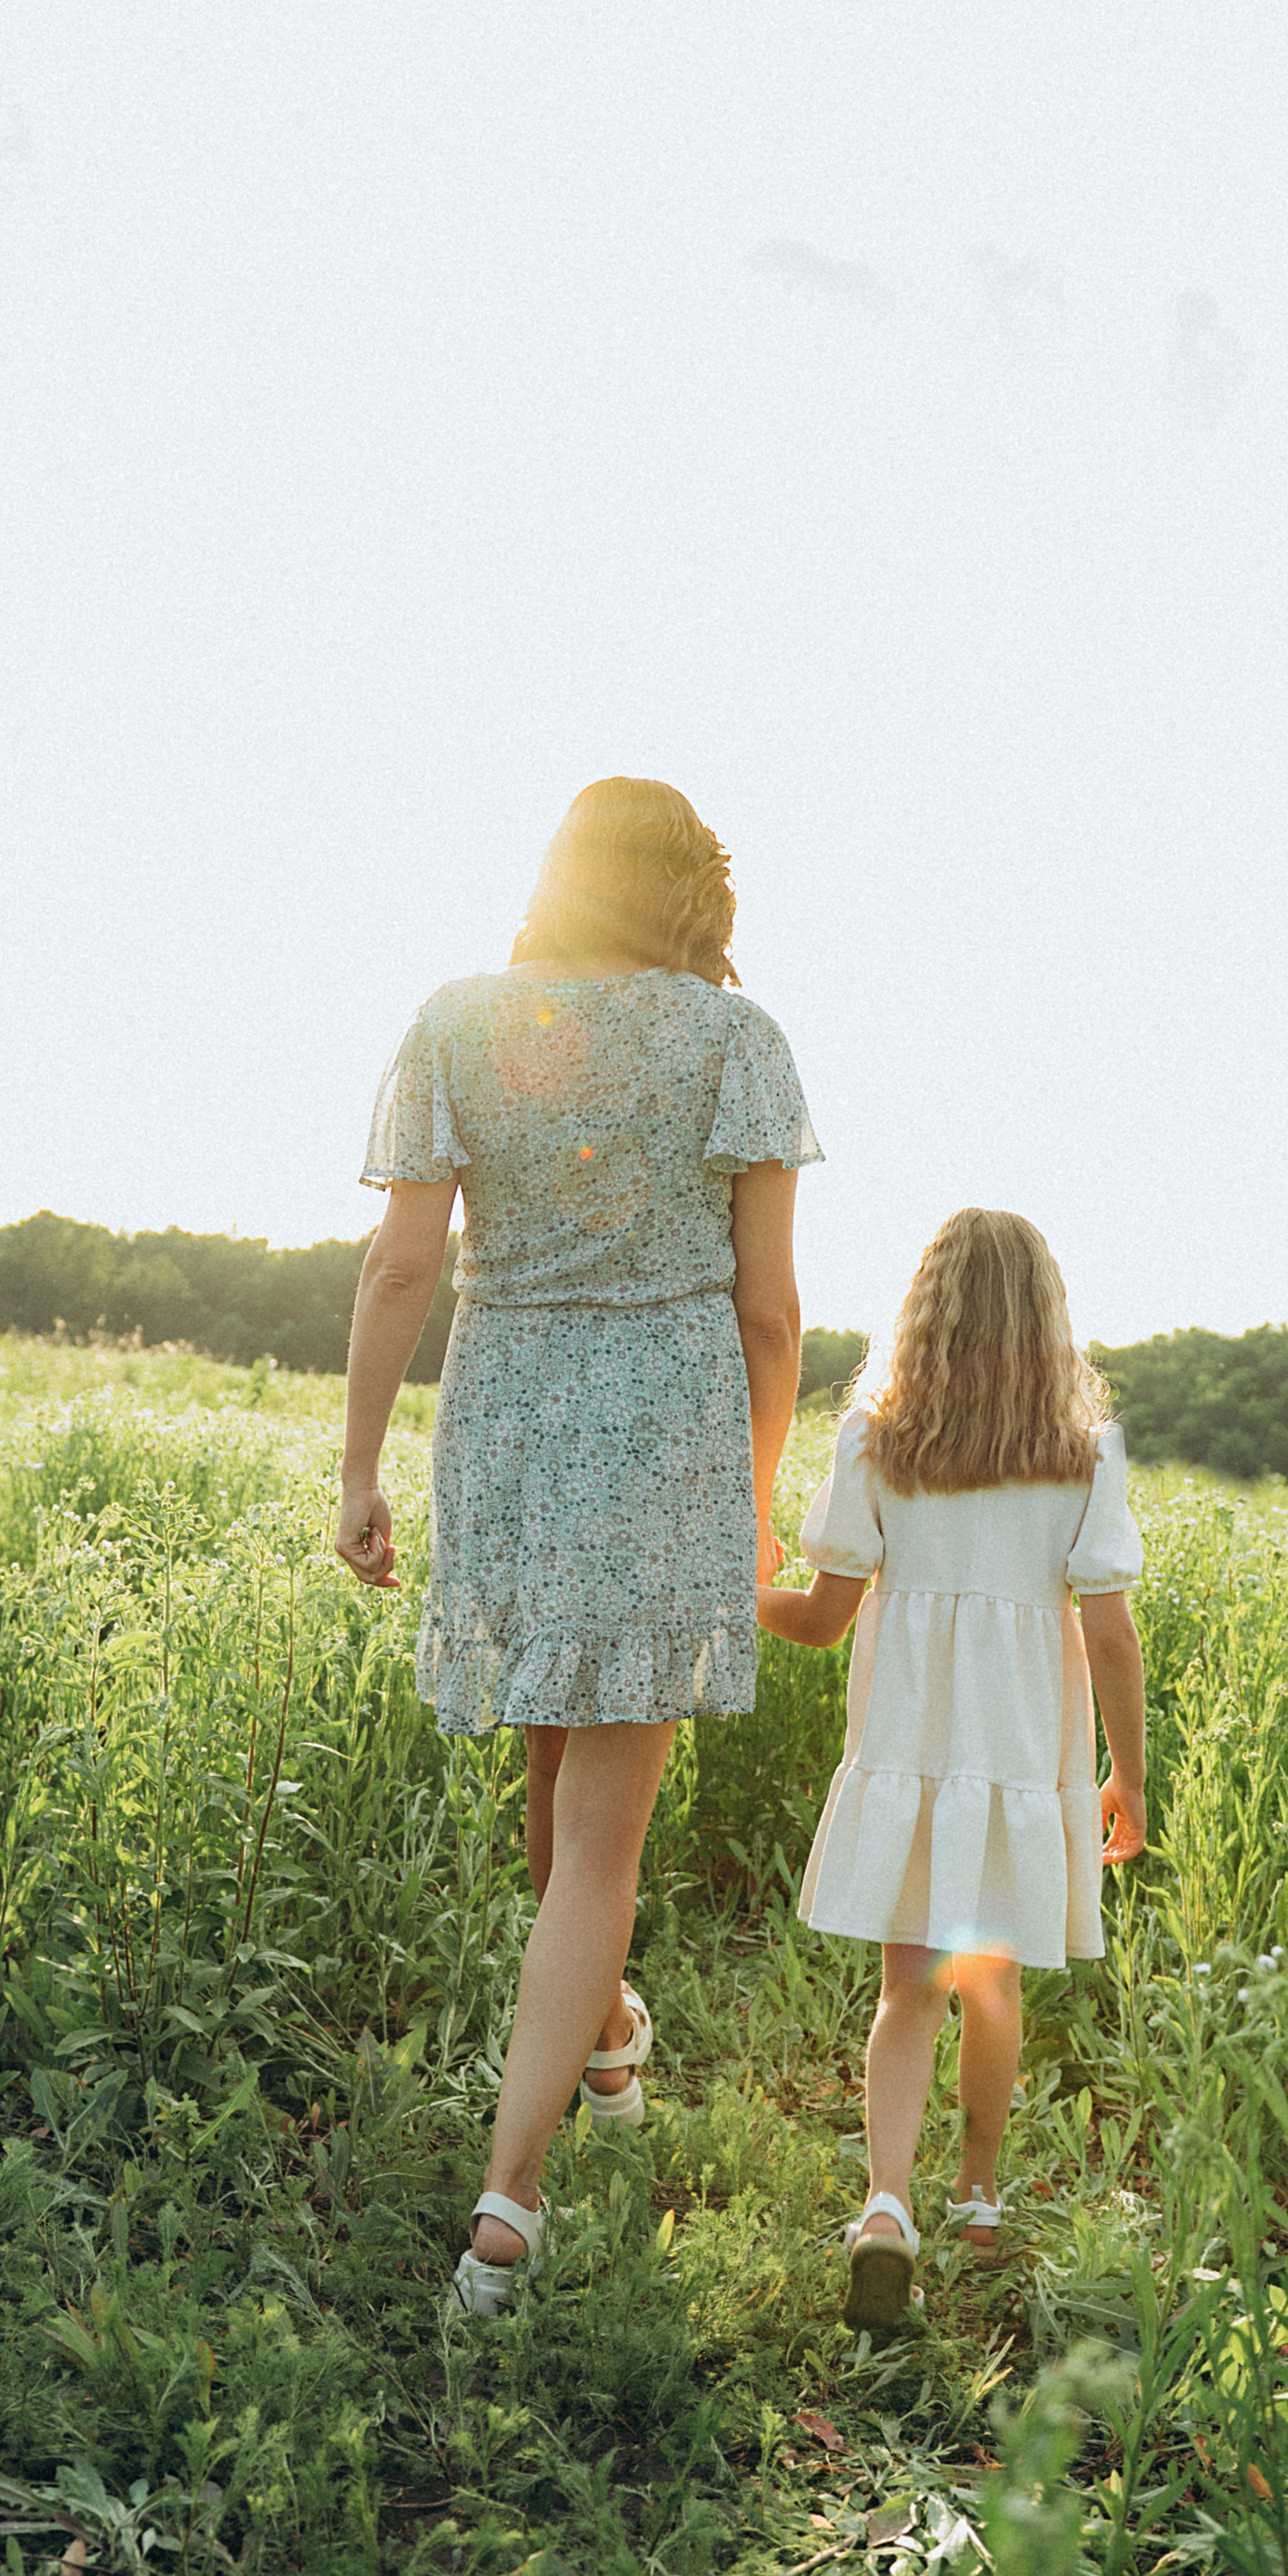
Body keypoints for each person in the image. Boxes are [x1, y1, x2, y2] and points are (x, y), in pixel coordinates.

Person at [336, 777, 820, 2315]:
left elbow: (404, 1257)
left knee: (556, 1784)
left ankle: (605, 2040)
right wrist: (749, 1493)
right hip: (668, 1423)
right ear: (696, 887)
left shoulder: (459, 1021)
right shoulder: (734, 1042)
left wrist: (357, 1467)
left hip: (510, 1420)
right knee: (596, 1823)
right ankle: (510, 2204)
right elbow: (771, 1309)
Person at [756, 1208, 1146, 2330]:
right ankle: (976, 2192)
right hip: (1023, 1750)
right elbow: (1112, 1635)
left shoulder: (877, 1440)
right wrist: (1128, 1774)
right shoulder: (1083, 1453)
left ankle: (886, 2203)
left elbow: (825, 1620)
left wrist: (731, 1598)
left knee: (907, 1988)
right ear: (1047, 1317)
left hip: (912, 1747)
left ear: (922, 1312)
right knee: (994, 1981)